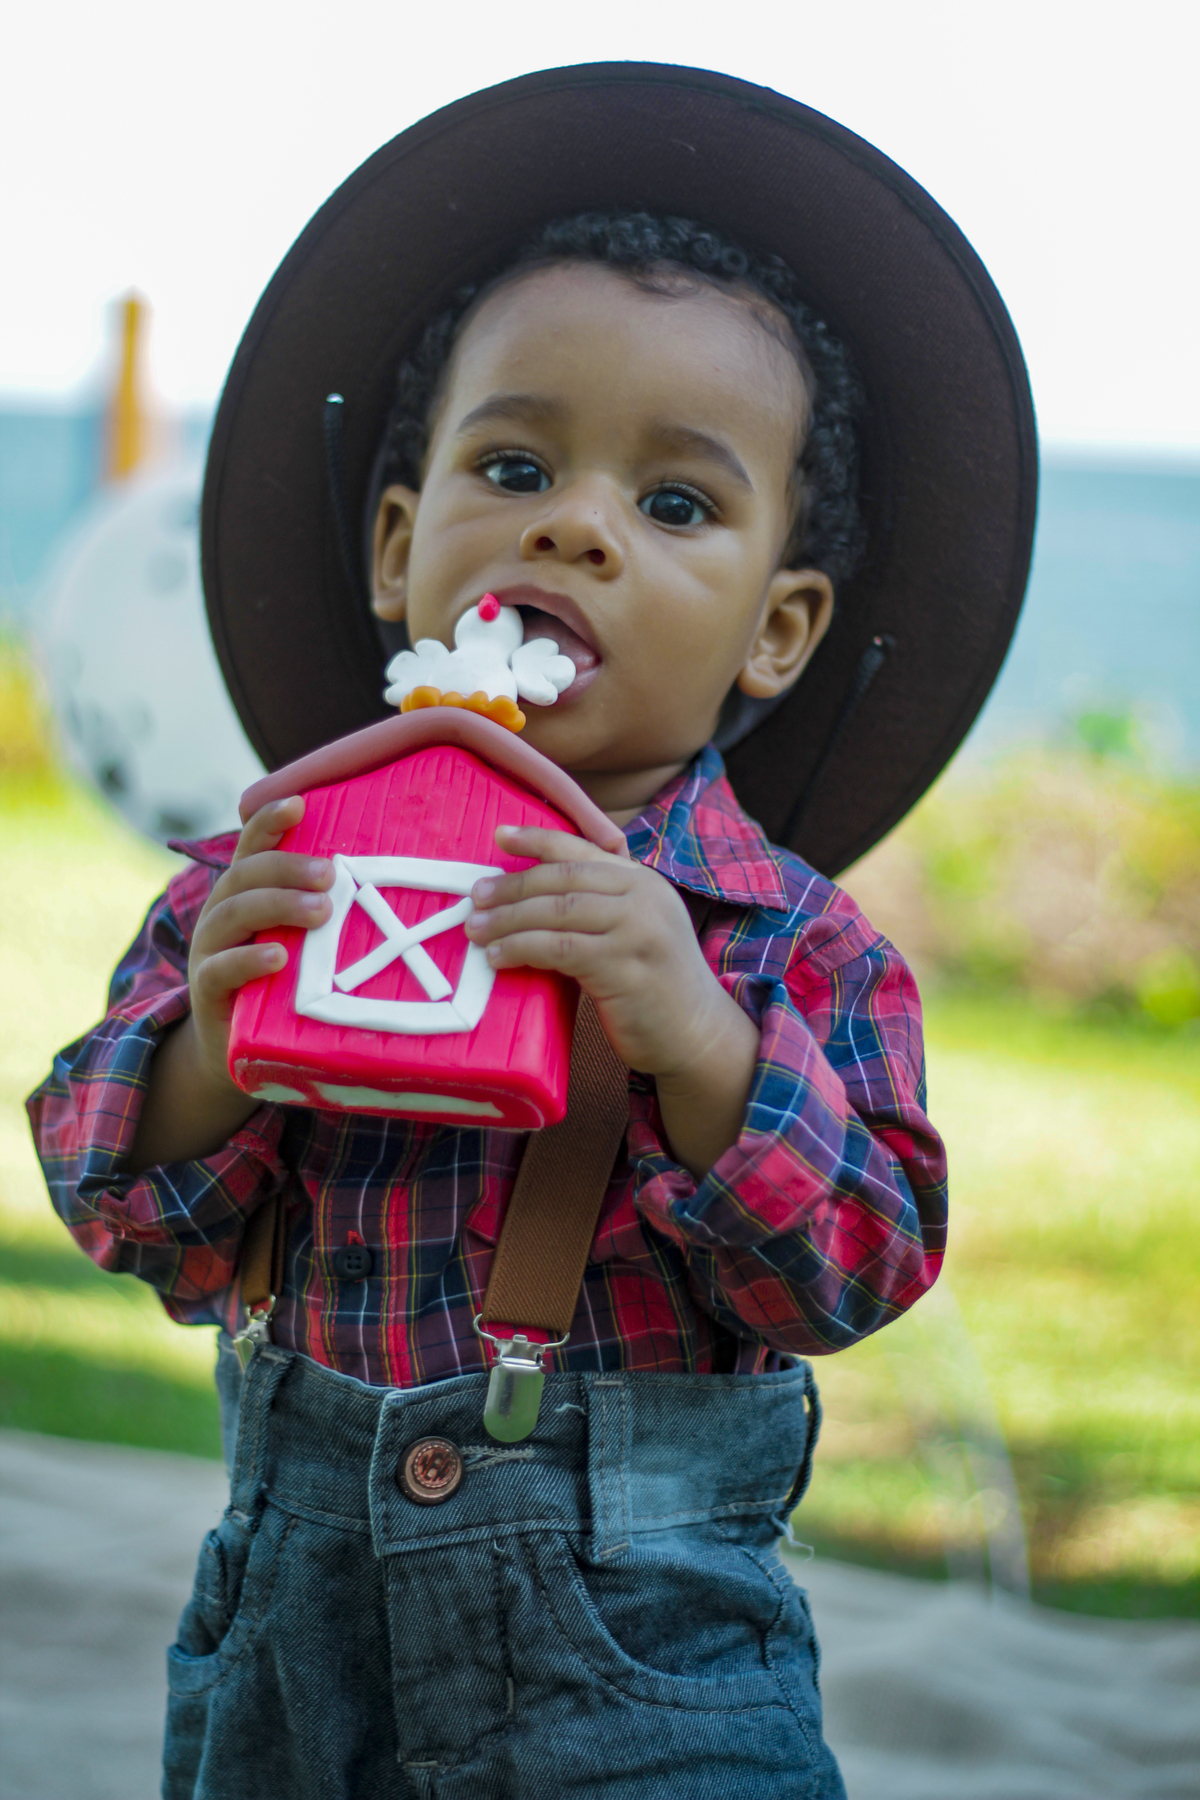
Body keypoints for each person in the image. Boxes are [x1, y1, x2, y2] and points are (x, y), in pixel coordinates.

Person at [26, 65, 1035, 1800]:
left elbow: (856, 1268)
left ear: (777, 631)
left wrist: (699, 1041)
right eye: (514, 465)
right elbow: (121, 1206)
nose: (573, 522)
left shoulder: (787, 947)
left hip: (644, 1660)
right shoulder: (266, 871)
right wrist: (211, 1041)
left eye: (676, 504)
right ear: (400, 547)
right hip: (296, 1649)